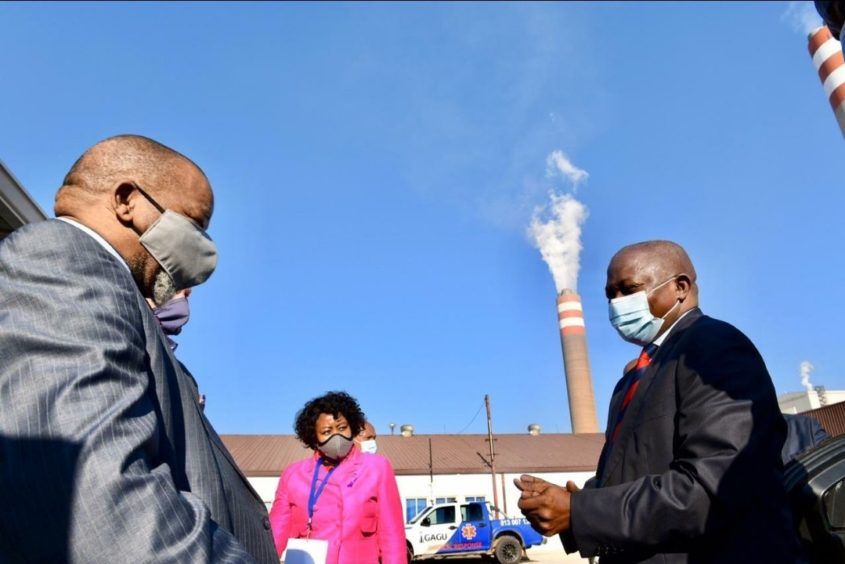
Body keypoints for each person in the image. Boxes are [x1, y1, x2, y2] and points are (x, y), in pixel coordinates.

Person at [0, 135, 276, 562]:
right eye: (194, 224)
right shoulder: (64, 260)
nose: (203, 250)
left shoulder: (107, 288)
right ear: (126, 200)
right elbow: (107, 506)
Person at [515, 240, 799, 563]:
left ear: (680, 287)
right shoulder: (634, 379)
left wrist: (580, 512)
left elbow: (711, 489)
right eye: (611, 294)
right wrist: (573, 502)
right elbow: (637, 473)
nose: (616, 303)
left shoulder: (713, 349)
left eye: (628, 289)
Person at [269, 391, 405, 563]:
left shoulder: (377, 468)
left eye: (342, 428)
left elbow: (392, 536)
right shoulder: (293, 475)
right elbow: (274, 536)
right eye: (327, 431)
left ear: (352, 427)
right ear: (313, 437)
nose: (337, 436)